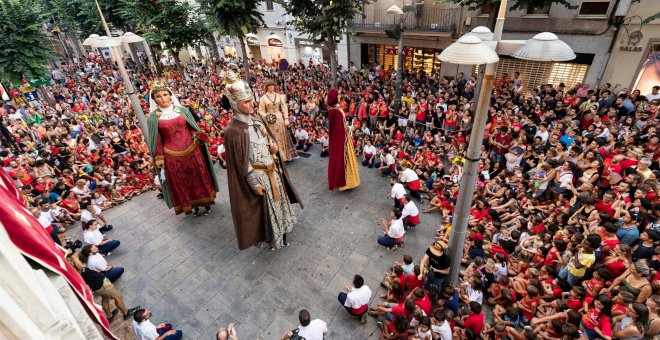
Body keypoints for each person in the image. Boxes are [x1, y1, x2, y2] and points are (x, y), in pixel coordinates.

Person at [223, 64, 302, 250]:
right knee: (268, 211)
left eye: (251, 100)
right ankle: (272, 238)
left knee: (280, 202)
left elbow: (267, 139)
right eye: (246, 102)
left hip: (273, 170)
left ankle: (284, 231)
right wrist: (253, 182)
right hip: (258, 176)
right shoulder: (233, 131)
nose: (251, 105)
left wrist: (274, 147)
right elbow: (239, 162)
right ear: (234, 104)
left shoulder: (257, 119)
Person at [146, 79, 219, 216]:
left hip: (193, 150)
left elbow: (191, 127)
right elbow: (156, 140)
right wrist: (159, 157)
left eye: (165, 94)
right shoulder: (153, 117)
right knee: (183, 182)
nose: (163, 98)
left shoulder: (182, 110)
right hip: (171, 155)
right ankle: (191, 205)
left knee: (199, 176)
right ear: (154, 100)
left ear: (170, 94)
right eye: (158, 96)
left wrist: (198, 136)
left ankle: (207, 201)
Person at [327, 88, 361, 191]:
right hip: (342, 140)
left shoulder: (334, 110)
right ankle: (346, 183)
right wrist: (352, 128)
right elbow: (340, 129)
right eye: (337, 95)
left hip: (341, 138)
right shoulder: (336, 112)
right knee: (343, 160)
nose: (339, 96)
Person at [258, 79, 297, 161]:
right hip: (270, 120)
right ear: (267, 87)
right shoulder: (263, 98)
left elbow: (284, 107)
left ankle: (284, 156)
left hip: (279, 119)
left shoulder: (279, 96)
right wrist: (267, 116)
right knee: (273, 138)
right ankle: (277, 156)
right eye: (270, 85)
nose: (272, 87)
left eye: (273, 85)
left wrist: (286, 119)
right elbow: (260, 110)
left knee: (282, 137)